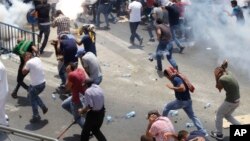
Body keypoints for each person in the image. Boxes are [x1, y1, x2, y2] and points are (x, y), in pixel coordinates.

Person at [162, 66, 207, 136]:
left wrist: (172, 87)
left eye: (166, 76)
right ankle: (202, 131)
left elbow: (182, 89)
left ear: (169, 74)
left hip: (181, 102)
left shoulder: (176, 79)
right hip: (188, 101)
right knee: (193, 116)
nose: (167, 78)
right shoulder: (178, 76)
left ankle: (163, 124)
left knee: (166, 108)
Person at [210, 60, 241, 140]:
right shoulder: (229, 74)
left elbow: (218, 87)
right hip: (237, 100)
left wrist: (217, 79)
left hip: (230, 101)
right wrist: (223, 66)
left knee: (218, 114)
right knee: (227, 115)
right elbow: (224, 70)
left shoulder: (221, 79)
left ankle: (219, 134)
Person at [22, 52, 48, 123]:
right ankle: (43, 107)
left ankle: (36, 115)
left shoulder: (28, 63)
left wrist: (25, 62)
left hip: (37, 85)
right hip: (43, 83)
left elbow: (23, 72)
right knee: (32, 94)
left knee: (32, 98)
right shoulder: (37, 58)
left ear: (26, 58)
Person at [61, 62, 88, 128]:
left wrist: (68, 75)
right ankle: (77, 116)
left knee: (77, 118)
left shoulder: (71, 75)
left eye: (67, 70)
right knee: (64, 104)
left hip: (76, 98)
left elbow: (67, 88)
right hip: (81, 95)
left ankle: (88, 131)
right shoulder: (80, 70)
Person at [0, 60, 9, 126]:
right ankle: (4, 117)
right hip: (3, 90)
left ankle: (3, 123)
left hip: (1, 92)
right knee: (1, 107)